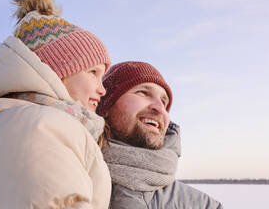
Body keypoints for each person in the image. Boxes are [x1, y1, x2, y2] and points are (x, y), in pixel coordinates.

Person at [0, 0, 111, 209]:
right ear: (56, 70)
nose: (102, 89)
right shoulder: (42, 126)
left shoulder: (12, 117)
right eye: (93, 72)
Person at [96, 61, 224, 208]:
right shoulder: (71, 176)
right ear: (106, 106)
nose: (160, 108)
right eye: (143, 92)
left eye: (164, 102)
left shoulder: (202, 205)